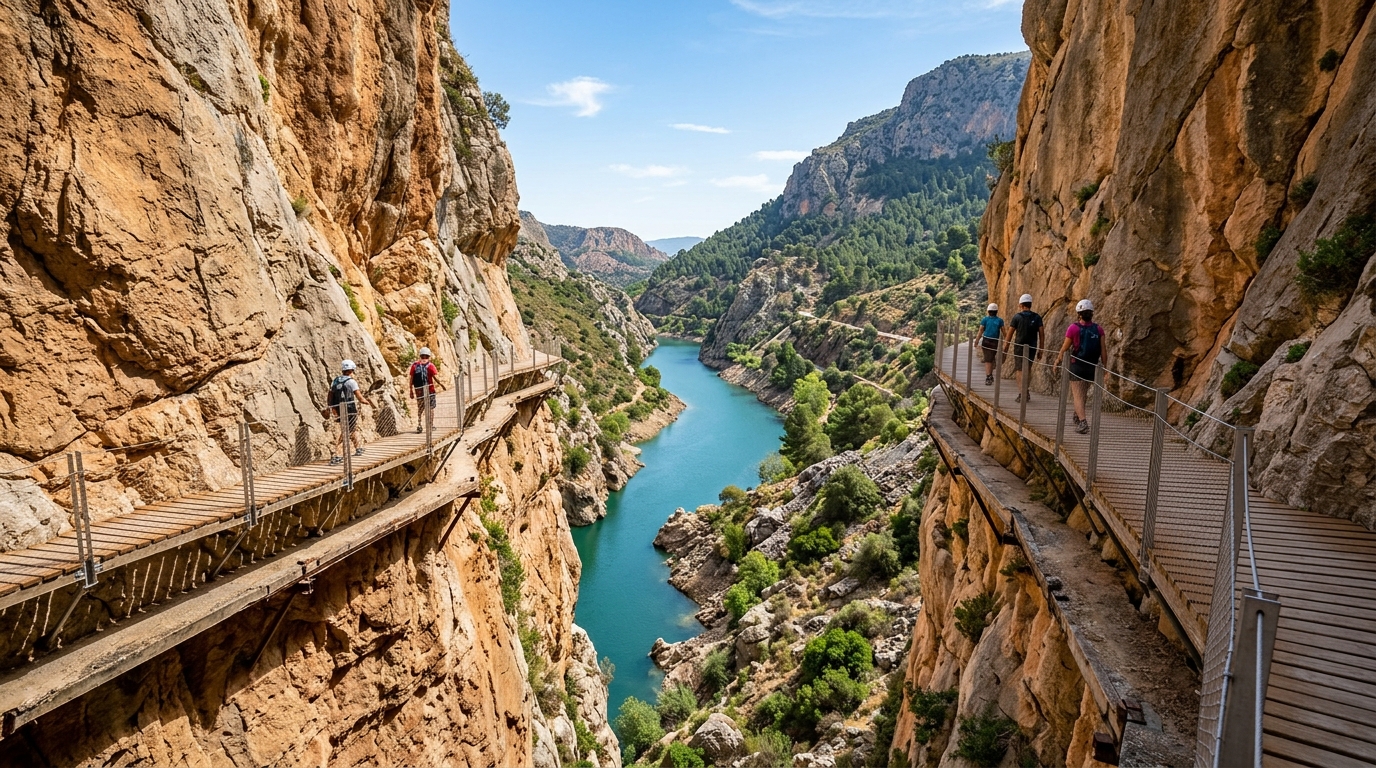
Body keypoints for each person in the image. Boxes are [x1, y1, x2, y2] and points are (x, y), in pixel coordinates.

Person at [1054, 299, 1108, 435]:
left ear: (1079, 314)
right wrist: (1105, 368)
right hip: (1092, 366)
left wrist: (1058, 360)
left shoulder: (1073, 328)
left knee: (1078, 395)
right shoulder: (1099, 329)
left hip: (1077, 365)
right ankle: (1077, 416)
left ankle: (1083, 422)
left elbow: (1065, 348)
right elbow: (1103, 350)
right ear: (1091, 314)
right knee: (1082, 394)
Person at [328, 359, 373, 464]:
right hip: (350, 409)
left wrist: (331, 407)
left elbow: (330, 395)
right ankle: (336, 454)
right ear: (351, 370)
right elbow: (360, 397)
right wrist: (367, 402)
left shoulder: (335, 381)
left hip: (339, 409)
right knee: (346, 431)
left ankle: (358, 447)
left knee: (352, 428)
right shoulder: (351, 382)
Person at [1004, 293, 1045, 402]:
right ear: (1030, 304)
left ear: (1021, 305)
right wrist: (1041, 349)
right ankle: (1025, 390)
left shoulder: (1017, 317)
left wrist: (1006, 346)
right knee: (1028, 368)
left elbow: (1010, 332)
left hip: (1019, 346)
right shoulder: (1037, 317)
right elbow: (1041, 333)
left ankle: (1022, 393)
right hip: (1032, 346)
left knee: (1019, 369)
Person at [409, 347, 439, 434]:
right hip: (430, 390)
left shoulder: (414, 366)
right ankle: (431, 425)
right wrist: (442, 385)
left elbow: (411, 379)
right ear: (428, 356)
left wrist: (411, 390)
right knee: (431, 408)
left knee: (420, 407)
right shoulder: (431, 366)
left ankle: (419, 424)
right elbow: (435, 377)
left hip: (419, 390)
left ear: (420, 355)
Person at [975, 303, 1004, 385]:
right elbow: (1004, 331)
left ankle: (988, 376)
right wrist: (1006, 341)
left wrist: (977, 341)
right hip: (994, 341)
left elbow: (981, 330)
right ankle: (989, 375)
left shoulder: (985, 319)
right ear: (996, 311)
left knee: (988, 359)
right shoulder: (1000, 320)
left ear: (988, 311)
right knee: (989, 358)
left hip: (986, 341)